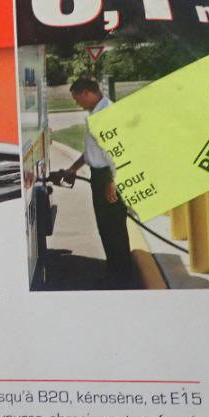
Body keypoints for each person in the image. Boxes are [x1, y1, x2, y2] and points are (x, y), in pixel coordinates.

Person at [54, 78, 137, 288]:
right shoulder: (97, 113)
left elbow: (119, 151)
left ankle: (121, 277)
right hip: (100, 176)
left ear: (87, 93)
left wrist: (113, 182)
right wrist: (72, 169)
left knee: (114, 228)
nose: (77, 103)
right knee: (107, 228)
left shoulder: (106, 114)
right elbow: (92, 152)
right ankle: (116, 272)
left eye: (77, 98)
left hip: (108, 177)